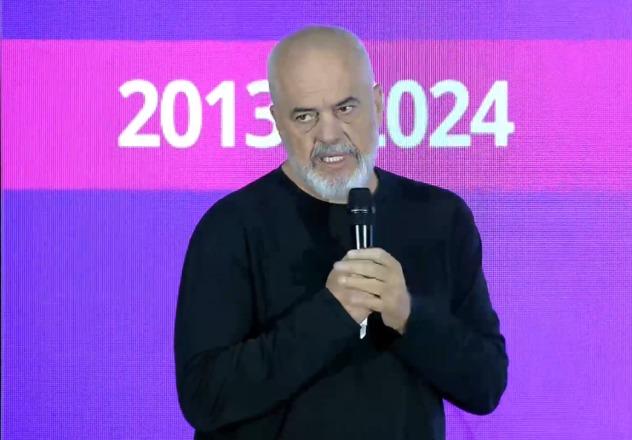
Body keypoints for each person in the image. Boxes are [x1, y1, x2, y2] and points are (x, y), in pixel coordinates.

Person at [174, 25, 508, 439]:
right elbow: (204, 397)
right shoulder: (231, 227)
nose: (329, 134)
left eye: (346, 108)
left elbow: (486, 384)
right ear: (277, 122)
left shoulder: (441, 218)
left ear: (378, 103)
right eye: (305, 116)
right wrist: (330, 314)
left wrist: (408, 315)